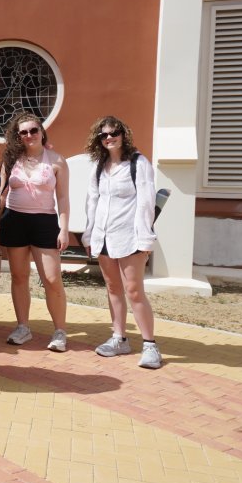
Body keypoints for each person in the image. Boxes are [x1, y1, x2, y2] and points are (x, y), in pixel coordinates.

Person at [83, 116, 162, 369]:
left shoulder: (139, 163)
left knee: (134, 290)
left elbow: (147, 202)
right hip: (104, 236)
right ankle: (119, 338)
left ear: (123, 134)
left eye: (113, 133)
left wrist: (145, 238)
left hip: (131, 236)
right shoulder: (100, 165)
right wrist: (89, 234)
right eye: (103, 135)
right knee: (112, 288)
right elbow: (92, 201)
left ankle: (150, 345)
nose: (109, 138)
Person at [0, 112, 70, 351]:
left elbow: (63, 198)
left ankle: (59, 332)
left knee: (52, 279)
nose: (29, 135)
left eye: (33, 130)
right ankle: (23, 327)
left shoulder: (56, 161)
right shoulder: (11, 159)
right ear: (18, 136)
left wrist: (64, 229)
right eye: (23, 132)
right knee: (19, 276)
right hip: (14, 220)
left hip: (45, 222)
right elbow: (1, 195)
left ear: (41, 132)